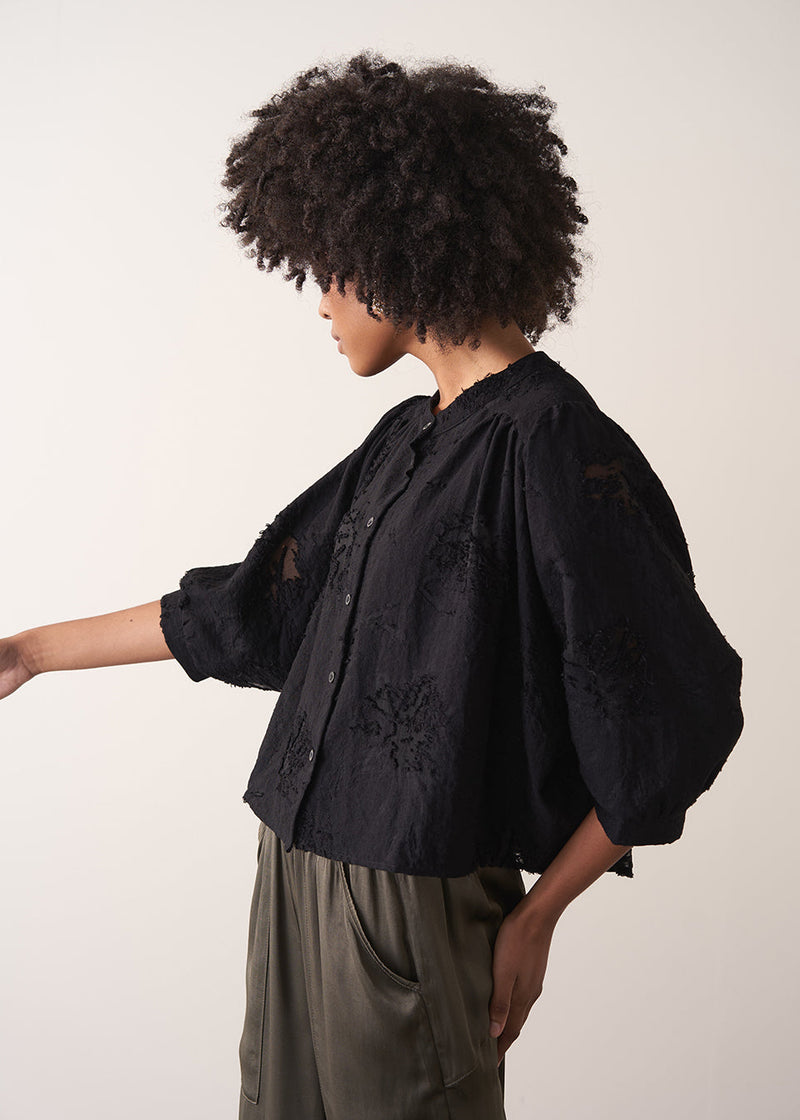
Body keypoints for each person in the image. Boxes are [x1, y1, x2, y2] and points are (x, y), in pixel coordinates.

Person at [0, 51, 745, 1120]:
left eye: (329, 267)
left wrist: (538, 915)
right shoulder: (405, 438)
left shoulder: (551, 441)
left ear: (396, 251)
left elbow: (678, 711)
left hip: (409, 910)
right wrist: (25, 652)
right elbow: (250, 608)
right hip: (295, 872)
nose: (320, 303)